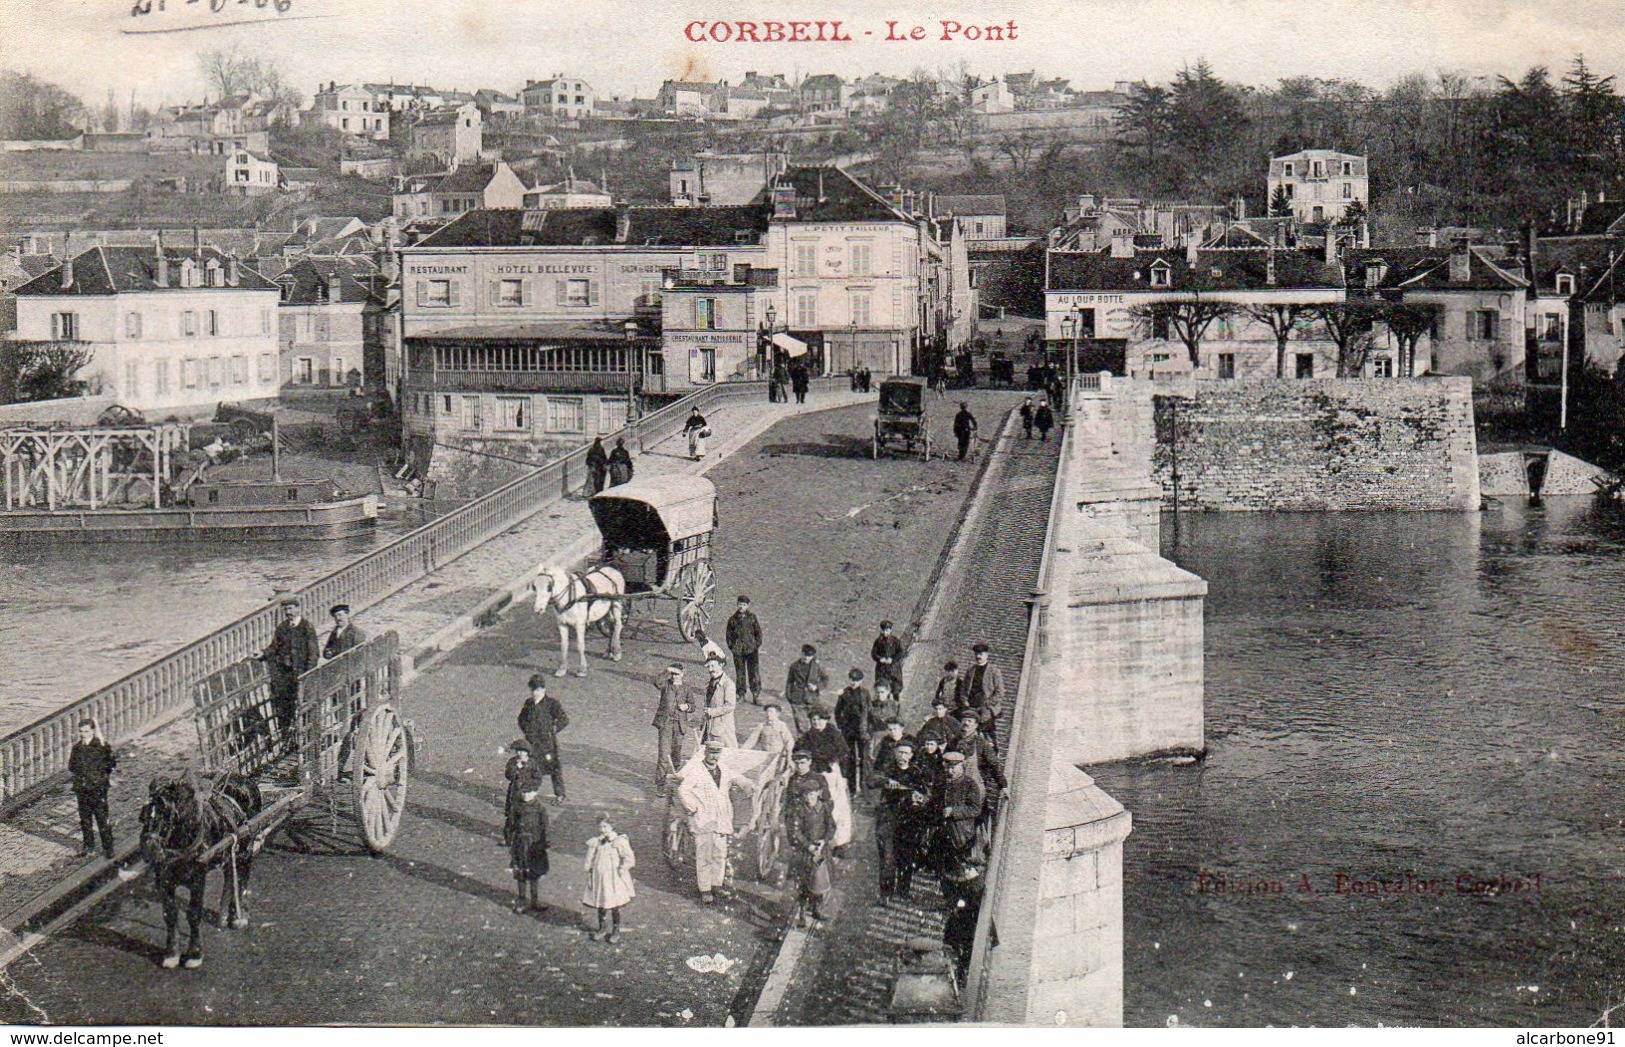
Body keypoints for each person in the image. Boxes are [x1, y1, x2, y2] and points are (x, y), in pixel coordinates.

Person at [677, 740, 748, 904]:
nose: (714, 757)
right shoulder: (696, 771)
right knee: (704, 856)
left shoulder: (723, 770)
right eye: (711, 753)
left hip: (721, 820)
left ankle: (716, 884)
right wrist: (692, 807)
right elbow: (683, 789)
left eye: (717, 754)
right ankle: (705, 889)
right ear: (705, 753)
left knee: (720, 854)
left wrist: (747, 785)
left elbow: (737, 777)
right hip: (703, 820)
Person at [873, 739, 932, 900]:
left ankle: (903, 891)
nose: (902, 755)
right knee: (887, 858)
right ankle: (885, 894)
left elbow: (926, 795)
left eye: (906, 753)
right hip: (888, 818)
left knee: (907, 856)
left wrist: (919, 798)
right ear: (895, 753)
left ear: (912, 755)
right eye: (899, 752)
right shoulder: (888, 769)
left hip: (909, 820)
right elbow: (871, 780)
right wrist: (886, 781)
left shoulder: (916, 772)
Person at [261, 598, 319, 741]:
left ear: (298, 608)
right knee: (285, 707)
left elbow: (314, 654)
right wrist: (263, 654)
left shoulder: (307, 627)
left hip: (302, 676)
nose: (289, 612)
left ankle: (308, 739)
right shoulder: (282, 628)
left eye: (291, 608)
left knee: (304, 707)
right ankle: (287, 739)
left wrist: (307, 674)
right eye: (286, 610)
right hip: (286, 676)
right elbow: (274, 647)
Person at [503, 740, 550, 914]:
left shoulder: (539, 809)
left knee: (534, 872)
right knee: (521, 871)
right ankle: (522, 899)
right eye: (519, 751)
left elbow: (545, 826)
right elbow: (508, 775)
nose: (521, 754)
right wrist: (509, 840)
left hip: (534, 844)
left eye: (524, 752)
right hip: (520, 842)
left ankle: (535, 899)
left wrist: (545, 843)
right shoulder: (513, 763)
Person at [785, 776, 837, 927]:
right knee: (803, 883)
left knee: (820, 881)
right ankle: (801, 914)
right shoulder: (799, 810)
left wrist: (824, 840)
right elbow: (796, 831)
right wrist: (808, 846)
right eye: (806, 794)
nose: (809, 797)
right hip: (805, 852)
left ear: (819, 793)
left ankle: (817, 909)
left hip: (821, 851)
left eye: (812, 794)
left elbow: (831, 826)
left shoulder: (824, 808)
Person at [582, 815, 636, 943]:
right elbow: (589, 858)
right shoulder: (596, 841)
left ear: (612, 826)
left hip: (613, 877)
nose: (602, 829)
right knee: (601, 902)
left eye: (605, 826)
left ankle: (615, 930)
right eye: (600, 826)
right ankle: (602, 928)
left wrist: (623, 868)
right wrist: (589, 869)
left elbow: (629, 858)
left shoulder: (619, 841)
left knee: (614, 904)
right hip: (599, 876)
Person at [517, 673, 569, 804]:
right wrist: (527, 731)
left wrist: (553, 730)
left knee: (554, 769)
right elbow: (521, 719)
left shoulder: (552, 704)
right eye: (533, 690)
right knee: (531, 768)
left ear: (544, 689)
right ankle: (530, 793)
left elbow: (563, 719)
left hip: (547, 743)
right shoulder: (528, 703)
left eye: (538, 690)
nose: (535, 693)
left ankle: (560, 794)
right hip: (532, 742)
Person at [69, 719, 116, 860]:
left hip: (97, 789)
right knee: (85, 819)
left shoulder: (101, 746)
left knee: (102, 819)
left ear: (93, 731)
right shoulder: (77, 748)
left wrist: (100, 778)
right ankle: (88, 846)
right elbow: (71, 766)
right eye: (81, 731)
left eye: (86, 731)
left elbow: (111, 764)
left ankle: (108, 848)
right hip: (82, 789)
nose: (83, 734)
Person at [936, 751, 985, 878]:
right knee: (944, 868)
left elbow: (975, 809)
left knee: (960, 868)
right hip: (944, 832)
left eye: (953, 768)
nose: (950, 771)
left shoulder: (970, 785)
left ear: (961, 766)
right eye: (948, 767)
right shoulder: (943, 783)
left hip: (961, 834)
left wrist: (954, 811)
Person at [653, 663, 695, 795]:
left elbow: (693, 706)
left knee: (676, 754)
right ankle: (660, 784)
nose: (674, 676)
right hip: (665, 724)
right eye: (672, 674)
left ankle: (676, 779)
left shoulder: (687, 688)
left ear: (682, 674)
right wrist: (667, 670)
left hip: (679, 725)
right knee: (663, 755)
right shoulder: (665, 685)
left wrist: (687, 707)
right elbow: (657, 682)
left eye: (677, 674)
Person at [833, 669, 871, 789]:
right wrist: (841, 725)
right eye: (852, 679)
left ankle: (864, 786)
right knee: (850, 757)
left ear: (861, 681)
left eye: (857, 680)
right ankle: (852, 787)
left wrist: (866, 729)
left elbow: (869, 712)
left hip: (861, 730)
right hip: (848, 730)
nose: (854, 682)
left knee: (864, 758)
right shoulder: (844, 693)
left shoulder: (865, 693)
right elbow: (837, 711)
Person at [959, 643, 1006, 738]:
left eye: (981, 654)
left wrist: (988, 704)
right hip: (971, 706)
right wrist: (965, 700)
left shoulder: (994, 671)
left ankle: (993, 750)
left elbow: (1000, 692)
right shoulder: (970, 670)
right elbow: (963, 688)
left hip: (986, 708)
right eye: (976, 654)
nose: (978, 656)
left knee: (988, 735)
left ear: (987, 655)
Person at [783, 643, 829, 735]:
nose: (807, 658)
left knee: (816, 725)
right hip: (797, 700)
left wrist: (817, 687)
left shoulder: (817, 666)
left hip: (812, 699)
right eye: (805, 655)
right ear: (802, 653)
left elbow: (825, 679)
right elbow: (789, 682)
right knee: (801, 726)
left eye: (810, 656)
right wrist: (790, 696)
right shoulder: (794, 666)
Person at [724, 595, 763, 704]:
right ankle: (741, 694)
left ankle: (756, 695)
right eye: (740, 604)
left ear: (748, 606)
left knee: (754, 673)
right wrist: (733, 647)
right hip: (738, 651)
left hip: (751, 650)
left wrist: (756, 646)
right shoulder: (732, 619)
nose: (742, 607)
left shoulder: (752, 617)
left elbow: (758, 633)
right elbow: (728, 636)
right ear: (737, 604)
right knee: (740, 673)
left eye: (744, 605)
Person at [700, 654, 739, 749]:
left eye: (713, 666)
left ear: (721, 665)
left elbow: (730, 705)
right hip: (709, 725)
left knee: (727, 753)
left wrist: (712, 712)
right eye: (708, 666)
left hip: (723, 727)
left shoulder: (728, 684)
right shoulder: (709, 684)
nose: (710, 669)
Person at [870, 620, 905, 699]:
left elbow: (901, 652)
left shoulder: (895, 641)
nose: (885, 632)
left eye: (887, 630)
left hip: (893, 669)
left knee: (895, 689)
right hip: (882, 669)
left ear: (890, 630)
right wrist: (879, 659)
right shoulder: (878, 641)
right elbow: (873, 653)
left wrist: (892, 659)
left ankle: (896, 704)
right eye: (883, 630)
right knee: (884, 688)